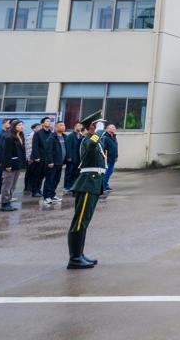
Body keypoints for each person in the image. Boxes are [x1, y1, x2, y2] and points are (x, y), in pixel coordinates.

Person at [67, 112, 107, 270]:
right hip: (87, 183)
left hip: (94, 183)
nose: (101, 128)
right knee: (79, 222)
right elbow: (90, 145)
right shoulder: (87, 141)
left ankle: (80, 254)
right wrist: (97, 132)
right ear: (92, 126)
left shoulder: (97, 142)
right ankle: (74, 258)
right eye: (98, 125)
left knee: (85, 222)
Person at [0, 119, 25, 211]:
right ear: (14, 126)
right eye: (19, 125)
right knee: (7, 184)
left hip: (17, 164)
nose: (21, 127)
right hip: (10, 164)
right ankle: (4, 203)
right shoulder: (9, 137)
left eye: (22, 125)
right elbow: (6, 153)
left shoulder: (20, 135)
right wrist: (8, 165)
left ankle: (8, 201)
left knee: (13, 185)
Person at [63, 121, 84, 192]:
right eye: (78, 126)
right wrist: (68, 157)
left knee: (76, 173)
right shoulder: (70, 136)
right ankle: (67, 186)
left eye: (81, 126)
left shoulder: (80, 136)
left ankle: (73, 185)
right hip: (71, 158)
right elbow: (68, 147)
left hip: (78, 158)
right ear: (75, 127)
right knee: (69, 172)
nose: (80, 127)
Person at [101, 125, 118, 193]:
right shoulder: (105, 137)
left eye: (114, 127)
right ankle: (103, 187)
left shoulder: (114, 137)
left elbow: (115, 147)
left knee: (110, 172)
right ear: (107, 129)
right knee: (106, 173)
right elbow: (103, 147)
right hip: (107, 158)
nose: (114, 128)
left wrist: (116, 156)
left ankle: (106, 185)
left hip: (113, 158)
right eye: (112, 127)